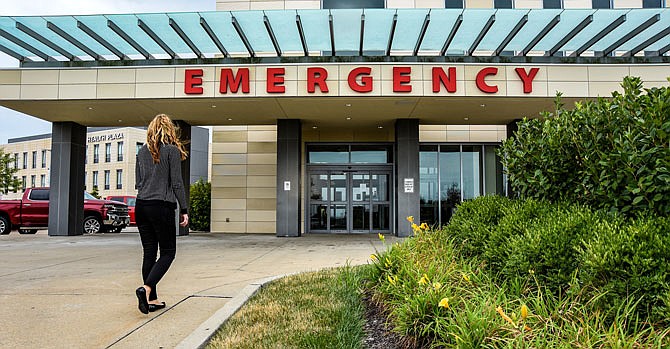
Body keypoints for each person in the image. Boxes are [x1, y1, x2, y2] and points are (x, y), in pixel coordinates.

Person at [134, 114, 189, 314]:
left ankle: (152, 299)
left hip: (141, 206)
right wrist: (184, 208)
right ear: (169, 130)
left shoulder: (141, 151)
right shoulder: (171, 151)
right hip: (161, 206)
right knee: (168, 253)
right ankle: (146, 289)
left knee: (149, 252)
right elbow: (176, 183)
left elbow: (138, 182)